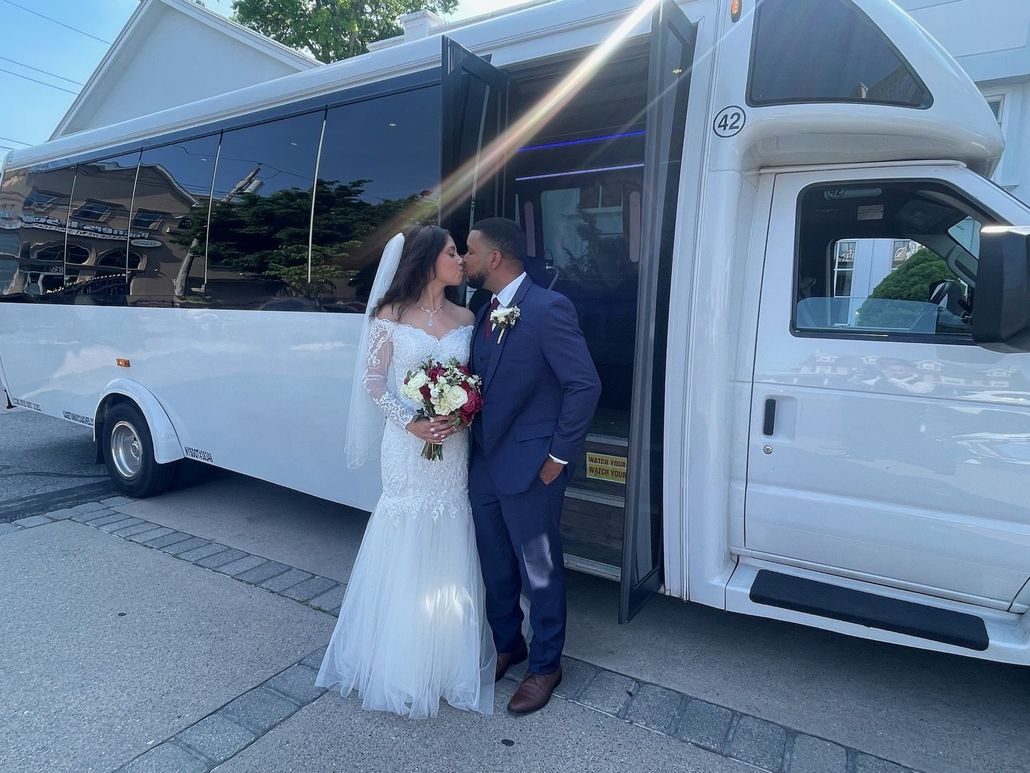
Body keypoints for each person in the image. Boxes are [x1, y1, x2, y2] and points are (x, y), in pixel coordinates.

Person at [315, 225, 495, 719]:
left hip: (451, 446)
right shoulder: (389, 316)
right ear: (426, 261)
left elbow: (474, 380)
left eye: (460, 252)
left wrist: (462, 412)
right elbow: (373, 383)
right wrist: (412, 422)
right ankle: (399, 660)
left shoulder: (466, 315)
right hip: (407, 446)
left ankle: (446, 656)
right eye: (452, 253)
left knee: (450, 531)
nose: (461, 260)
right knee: (406, 532)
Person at [462, 217, 601, 714]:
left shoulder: (547, 307)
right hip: (484, 464)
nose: (464, 260)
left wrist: (557, 458)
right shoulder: (484, 309)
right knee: (495, 564)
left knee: (539, 571)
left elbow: (583, 386)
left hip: (533, 467)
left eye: (470, 252)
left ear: (495, 258)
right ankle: (508, 645)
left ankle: (546, 666)